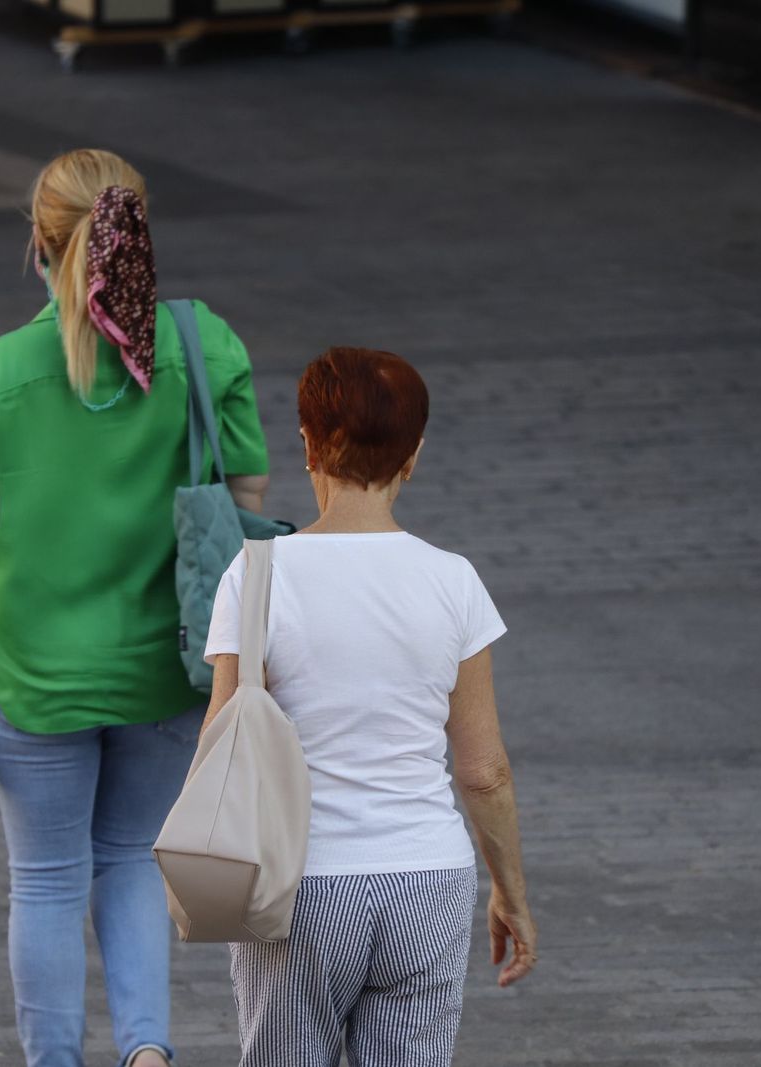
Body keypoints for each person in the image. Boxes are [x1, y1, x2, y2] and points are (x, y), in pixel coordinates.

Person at [0, 148, 271, 1067]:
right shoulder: (208, 345)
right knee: (128, 858)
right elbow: (248, 488)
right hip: (166, 666)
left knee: (44, 880)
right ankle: (149, 1052)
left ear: (39, 244)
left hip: (38, 675)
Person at [204, 347, 536, 1066]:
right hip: (427, 881)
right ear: (413, 456)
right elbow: (483, 771)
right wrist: (509, 891)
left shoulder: (257, 574)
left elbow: (218, 745)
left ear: (307, 444)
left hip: (297, 884)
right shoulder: (453, 581)